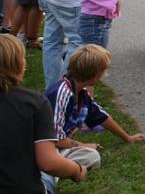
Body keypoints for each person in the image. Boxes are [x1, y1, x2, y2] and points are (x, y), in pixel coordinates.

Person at [44, 44, 145, 182]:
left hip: (59, 146)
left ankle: (61, 168)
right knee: (80, 157)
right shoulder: (61, 94)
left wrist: (127, 137)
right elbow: (57, 139)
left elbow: (101, 116)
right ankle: (53, 171)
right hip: (45, 147)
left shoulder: (81, 92)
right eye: (102, 73)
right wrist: (83, 145)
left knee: (93, 157)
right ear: (95, 76)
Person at [0, 35, 88, 192]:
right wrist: (77, 170)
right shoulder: (34, 103)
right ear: (19, 65)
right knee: (50, 171)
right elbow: (48, 163)